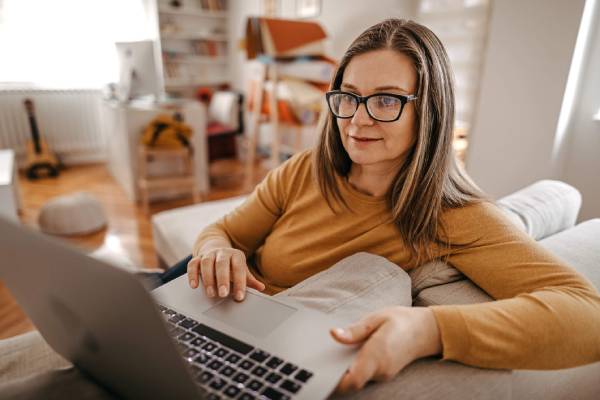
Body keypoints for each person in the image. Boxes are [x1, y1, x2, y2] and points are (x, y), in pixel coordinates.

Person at [182, 18, 600, 394]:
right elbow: (225, 231)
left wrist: (430, 329)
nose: (357, 120)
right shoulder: (308, 168)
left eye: (387, 101)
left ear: (430, 112)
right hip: (214, 308)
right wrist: (215, 249)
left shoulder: (454, 216)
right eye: (349, 96)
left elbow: (587, 316)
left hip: (257, 357)